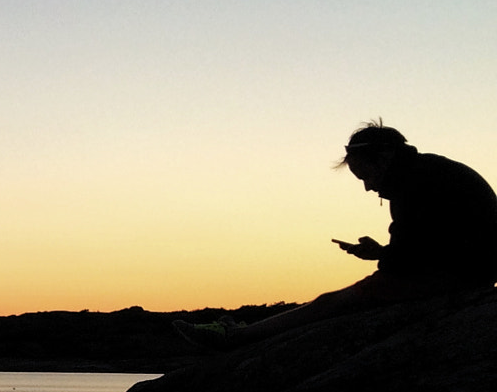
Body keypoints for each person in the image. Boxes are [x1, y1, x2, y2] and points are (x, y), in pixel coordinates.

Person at [177, 123, 497, 351]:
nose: (368, 187)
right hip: (469, 270)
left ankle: (234, 338)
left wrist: (386, 258)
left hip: (458, 276)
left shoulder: (415, 183)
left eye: (367, 175)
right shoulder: (429, 171)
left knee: (330, 304)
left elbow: (406, 261)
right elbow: (427, 244)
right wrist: (381, 253)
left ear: (384, 158)